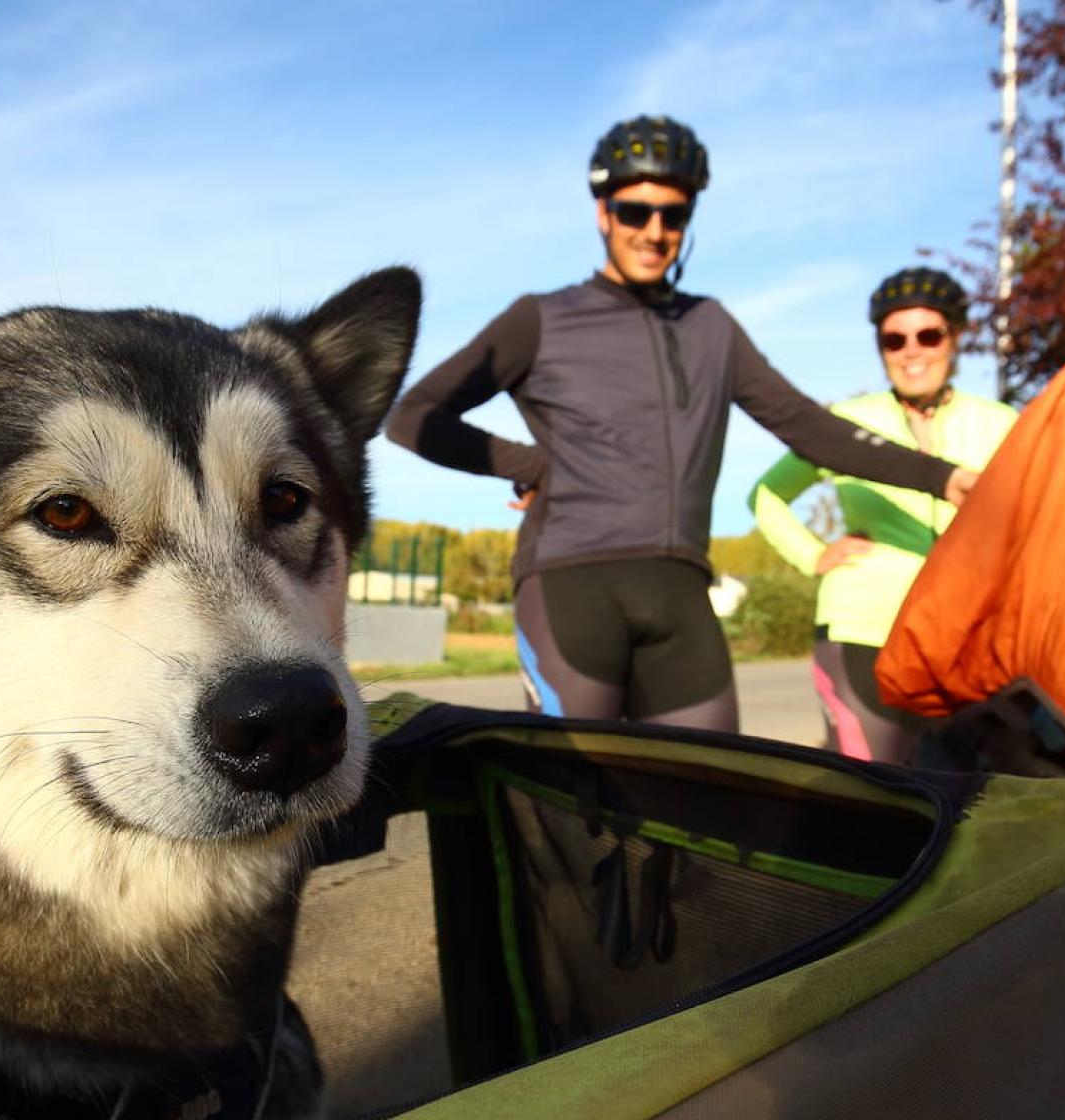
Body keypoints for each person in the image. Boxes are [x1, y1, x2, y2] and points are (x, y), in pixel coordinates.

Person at [385, 115, 977, 729]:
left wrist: (944, 479)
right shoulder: (542, 318)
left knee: (709, 801)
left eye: (674, 216)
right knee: (564, 802)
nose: (655, 231)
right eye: (635, 212)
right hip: (571, 582)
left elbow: (806, 425)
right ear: (603, 214)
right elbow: (414, 415)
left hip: (681, 592)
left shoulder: (711, 326)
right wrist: (529, 464)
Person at [750, 267, 1016, 763]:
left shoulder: (1000, 424)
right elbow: (765, 496)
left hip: (970, 632)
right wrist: (813, 555)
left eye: (928, 335)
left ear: (954, 339)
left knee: (971, 795)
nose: (911, 351)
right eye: (894, 340)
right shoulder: (846, 424)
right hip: (862, 624)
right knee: (869, 789)